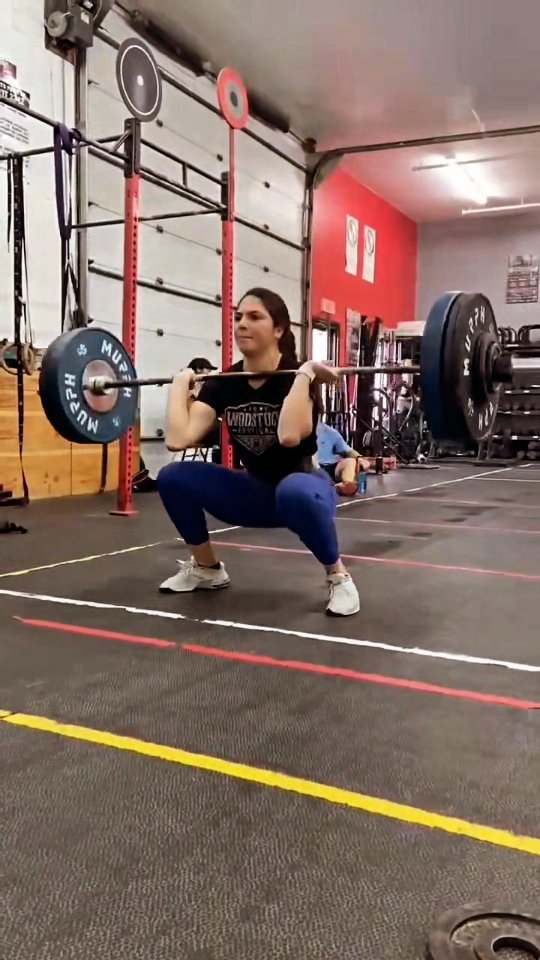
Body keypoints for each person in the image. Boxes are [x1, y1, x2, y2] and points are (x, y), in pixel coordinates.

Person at [156, 287, 360, 616]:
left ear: (279, 329)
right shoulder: (224, 381)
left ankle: (339, 576)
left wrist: (305, 374)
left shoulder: (295, 375)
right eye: (238, 318)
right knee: (173, 477)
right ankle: (207, 569)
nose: (241, 325)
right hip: (255, 492)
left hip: (306, 490)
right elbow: (178, 440)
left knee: (294, 489)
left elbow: (290, 436)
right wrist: (180, 386)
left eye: (254, 317)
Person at [316, 420, 370, 497]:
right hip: (312, 468)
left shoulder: (329, 431)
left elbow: (347, 450)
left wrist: (360, 459)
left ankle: (346, 485)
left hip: (331, 466)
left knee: (350, 461)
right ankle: (333, 487)